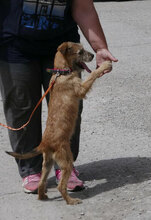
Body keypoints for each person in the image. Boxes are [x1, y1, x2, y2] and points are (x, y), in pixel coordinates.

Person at [0, 0, 118, 193]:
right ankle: (30, 168)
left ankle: (65, 166)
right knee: (20, 107)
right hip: (14, 46)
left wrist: (99, 47)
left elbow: (84, 8)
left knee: (68, 107)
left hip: (63, 47)